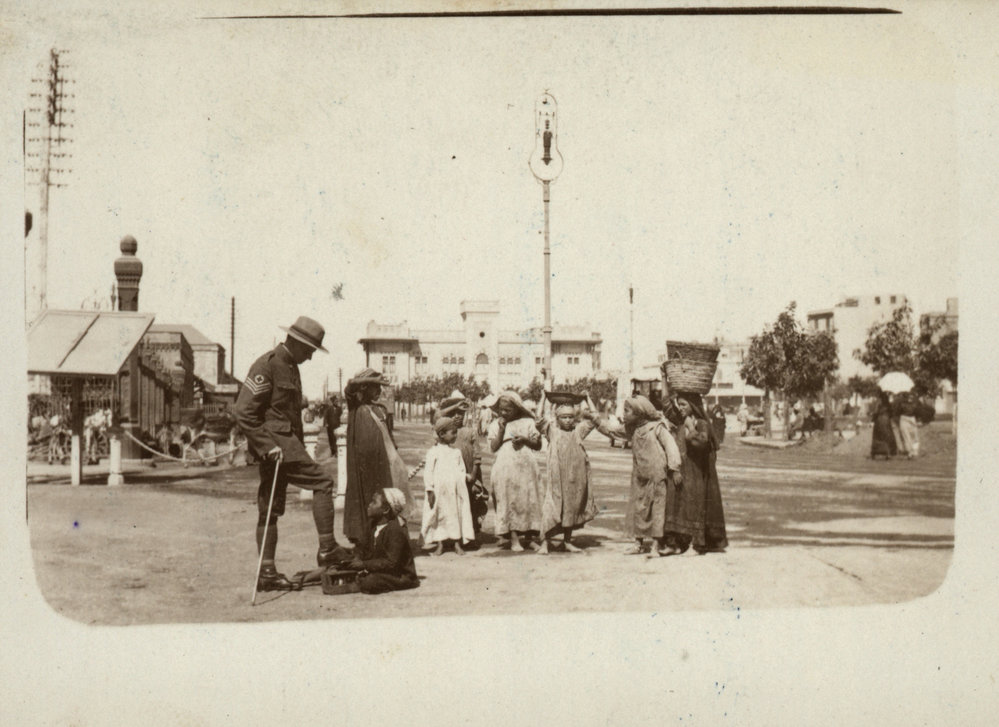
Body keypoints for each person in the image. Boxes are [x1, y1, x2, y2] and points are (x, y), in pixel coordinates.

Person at [234, 316, 350, 592]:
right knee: (322, 483)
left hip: (282, 446)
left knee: (270, 509)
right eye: (309, 351)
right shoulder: (268, 365)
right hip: (278, 447)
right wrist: (266, 445)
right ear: (297, 343)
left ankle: (267, 573)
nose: (310, 357)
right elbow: (243, 411)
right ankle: (327, 548)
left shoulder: (290, 366)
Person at [596, 396, 683, 557]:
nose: (625, 415)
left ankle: (656, 545)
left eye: (627, 411)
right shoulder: (632, 428)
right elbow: (612, 431)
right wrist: (596, 422)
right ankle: (638, 543)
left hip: (657, 476)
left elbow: (671, 447)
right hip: (639, 475)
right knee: (639, 508)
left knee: (657, 509)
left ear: (639, 413)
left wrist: (675, 468)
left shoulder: (657, 427)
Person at [343, 368, 413, 546]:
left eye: (380, 388)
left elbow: (388, 436)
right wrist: (361, 381)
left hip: (381, 461)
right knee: (366, 498)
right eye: (375, 387)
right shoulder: (356, 407)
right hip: (362, 463)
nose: (379, 391)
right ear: (365, 388)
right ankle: (363, 539)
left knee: (383, 498)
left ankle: (383, 538)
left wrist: (395, 457)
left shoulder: (380, 410)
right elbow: (350, 390)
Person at [663, 392, 729, 555]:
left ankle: (697, 544)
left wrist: (690, 427)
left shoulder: (700, 423)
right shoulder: (680, 421)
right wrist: (664, 379)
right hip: (682, 469)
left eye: (684, 404)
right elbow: (666, 406)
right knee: (677, 504)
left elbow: (701, 442)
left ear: (693, 405)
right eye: (680, 405)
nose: (681, 408)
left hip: (696, 472)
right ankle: (677, 543)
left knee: (694, 505)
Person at [536, 399, 599, 554]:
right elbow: (538, 418)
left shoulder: (578, 431)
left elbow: (595, 418)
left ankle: (567, 541)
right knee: (552, 507)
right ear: (557, 418)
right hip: (557, 479)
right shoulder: (552, 431)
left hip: (575, 478)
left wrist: (587, 398)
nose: (568, 420)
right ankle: (544, 542)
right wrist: (544, 397)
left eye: (570, 417)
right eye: (563, 417)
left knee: (572, 508)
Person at [488, 390, 544, 551]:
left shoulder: (527, 423)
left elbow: (538, 445)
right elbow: (493, 447)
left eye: (508, 410)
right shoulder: (495, 424)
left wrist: (526, 439)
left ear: (517, 409)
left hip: (526, 466)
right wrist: (501, 429)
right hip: (505, 466)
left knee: (529, 499)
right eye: (501, 409)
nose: (504, 413)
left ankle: (530, 537)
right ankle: (514, 538)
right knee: (509, 500)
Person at [346, 488, 420, 594]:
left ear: (385, 509)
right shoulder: (372, 525)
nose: (369, 505)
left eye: (374, 502)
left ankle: (359, 583)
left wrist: (364, 564)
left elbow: (391, 563)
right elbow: (363, 547)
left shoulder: (395, 530)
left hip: (400, 576)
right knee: (341, 560)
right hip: (382, 570)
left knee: (370, 581)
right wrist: (357, 556)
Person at [420, 417, 476, 555]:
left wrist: (466, 477)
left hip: (454, 492)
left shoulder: (456, 452)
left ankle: (457, 543)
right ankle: (440, 544)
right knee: (440, 516)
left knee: (455, 515)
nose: (455, 435)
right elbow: (428, 472)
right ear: (441, 434)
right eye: (453, 433)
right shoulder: (433, 452)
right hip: (439, 492)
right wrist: (429, 489)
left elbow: (460, 469)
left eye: (456, 432)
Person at [439, 390, 488, 538]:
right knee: (452, 502)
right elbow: (438, 414)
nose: (458, 416)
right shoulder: (445, 432)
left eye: (461, 413)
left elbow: (477, 454)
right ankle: (452, 534)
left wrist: (474, 473)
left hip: (470, 474)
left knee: (471, 501)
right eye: (454, 413)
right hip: (452, 475)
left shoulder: (469, 431)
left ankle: (470, 533)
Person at [870, 391, 897, 459]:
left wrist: (873, 419)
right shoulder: (888, 404)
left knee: (877, 437)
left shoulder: (878, 404)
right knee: (887, 437)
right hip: (886, 421)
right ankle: (888, 452)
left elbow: (875, 412)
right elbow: (891, 414)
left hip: (879, 421)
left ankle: (875, 452)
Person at [895, 391, 920, 459]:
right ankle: (912, 451)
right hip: (907, 418)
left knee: (909, 436)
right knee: (912, 436)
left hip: (906, 419)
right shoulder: (912, 403)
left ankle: (911, 451)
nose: (910, 398)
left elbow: (897, 412)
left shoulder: (902, 403)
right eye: (908, 396)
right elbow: (917, 411)